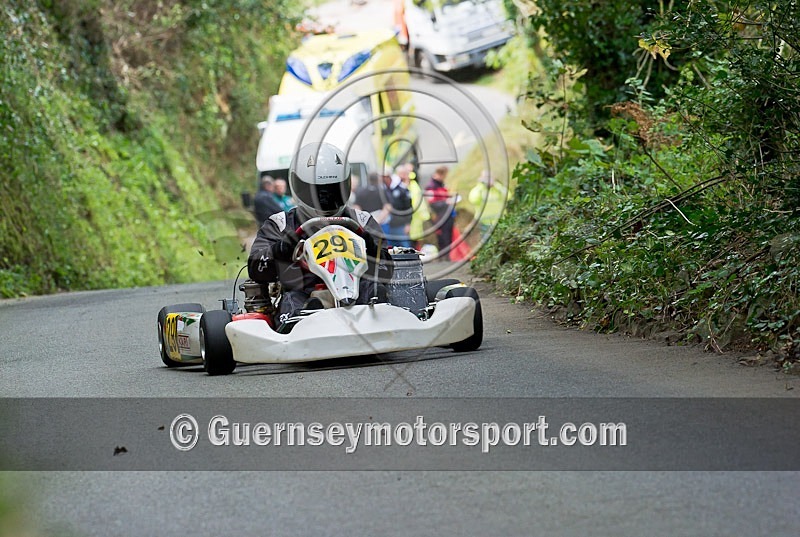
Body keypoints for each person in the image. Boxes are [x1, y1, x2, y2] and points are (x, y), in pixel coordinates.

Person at [248, 142, 393, 327]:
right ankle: (305, 319)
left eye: (333, 191)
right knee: (293, 300)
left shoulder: (361, 221)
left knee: (374, 288)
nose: (324, 199)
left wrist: (371, 247)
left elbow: (387, 270)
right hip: (304, 293)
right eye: (316, 192)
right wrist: (281, 249)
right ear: (298, 186)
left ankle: (378, 312)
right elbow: (256, 268)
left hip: (357, 292)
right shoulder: (281, 224)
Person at [398, 163, 430, 249]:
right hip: (408, 220)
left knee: (413, 241)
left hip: (413, 218)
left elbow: (417, 203)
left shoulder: (413, 186)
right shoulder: (405, 186)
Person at [424, 166, 455, 254]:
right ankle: (443, 257)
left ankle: (447, 256)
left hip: (447, 215)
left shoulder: (441, 184)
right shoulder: (431, 186)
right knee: (442, 238)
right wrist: (446, 202)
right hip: (439, 216)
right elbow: (432, 203)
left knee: (448, 237)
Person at [468, 170, 509, 234]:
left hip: (501, 221)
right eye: (486, 177)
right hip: (485, 224)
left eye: (490, 177)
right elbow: (473, 200)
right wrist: (481, 185)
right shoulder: (478, 190)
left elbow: (508, 196)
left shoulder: (498, 189)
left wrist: (496, 185)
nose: (488, 179)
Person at [383, 166, 413, 248]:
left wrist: (408, 224)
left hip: (401, 225)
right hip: (389, 225)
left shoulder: (401, 189)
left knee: (405, 247)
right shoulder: (385, 190)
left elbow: (408, 207)